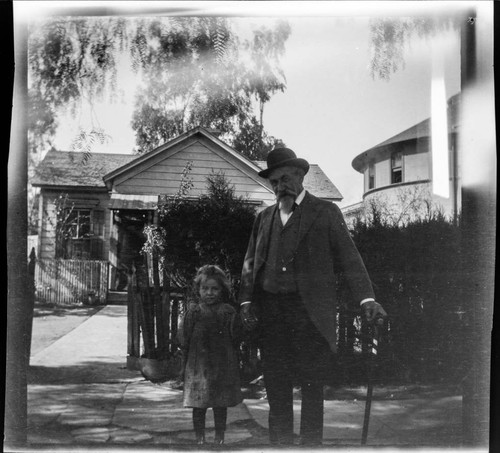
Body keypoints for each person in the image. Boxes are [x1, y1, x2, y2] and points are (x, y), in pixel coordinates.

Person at [238, 147, 387, 446]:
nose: (281, 187)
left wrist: (366, 299)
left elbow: (349, 257)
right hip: (271, 314)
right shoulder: (264, 217)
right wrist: (245, 301)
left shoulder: (325, 212)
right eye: (275, 182)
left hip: (308, 315)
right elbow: (250, 263)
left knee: (311, 386)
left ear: (300, 175)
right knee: (276, 386)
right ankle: (279, 446)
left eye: (286, 179)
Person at [179, 265, 243, 445]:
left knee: (220, 403)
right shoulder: (194, 312)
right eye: (205, 288)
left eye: (214, 289)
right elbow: (184, 337)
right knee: (198, 404)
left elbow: (236, 337)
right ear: (198, 290)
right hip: (198, 366)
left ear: (222, 290)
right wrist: (184, 362)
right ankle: (200, 438)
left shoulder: (227, 312)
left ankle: (219, 437)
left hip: (222, 365)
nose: (209, 293)